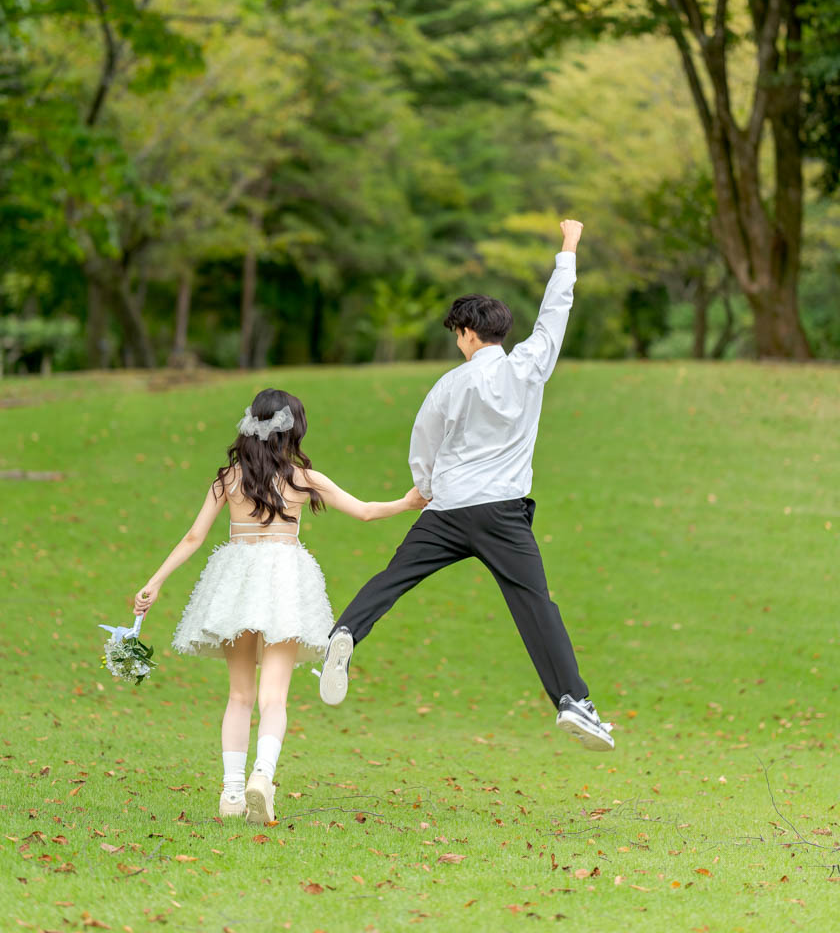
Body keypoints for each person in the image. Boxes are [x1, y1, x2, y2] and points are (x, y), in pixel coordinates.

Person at [319, 220, 614, 751]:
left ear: (468, 334)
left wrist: (424, 489)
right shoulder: (529, 365)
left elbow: (423, 443)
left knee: (394, 578)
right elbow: (555, 311)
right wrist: (568, 247)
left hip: (448, 509)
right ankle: (573, 700)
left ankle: (345, 632)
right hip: (501, 512)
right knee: (535, 605)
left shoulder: (448, 385)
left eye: (457, 334)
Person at [132, 388, 426, 823]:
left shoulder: (228, 479)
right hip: (284, 584)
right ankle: (262, 776)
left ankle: (232, 793)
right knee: (274, 697)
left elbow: (194, 537)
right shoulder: (302, 479)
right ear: (293, 429)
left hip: (237, 584)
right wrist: (408, 502)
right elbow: (364, 511)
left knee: (239, 695)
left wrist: (154, 582)